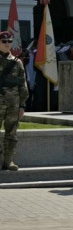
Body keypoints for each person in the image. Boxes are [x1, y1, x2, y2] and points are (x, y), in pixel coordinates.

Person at [0, 30, 29, 171]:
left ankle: (8, 161)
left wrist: (22, 105)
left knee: (11, 133)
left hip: (13, 103)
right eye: (4, 41)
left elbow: (22, 84)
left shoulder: (17, 62)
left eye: (9, 41)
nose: (7, 44)